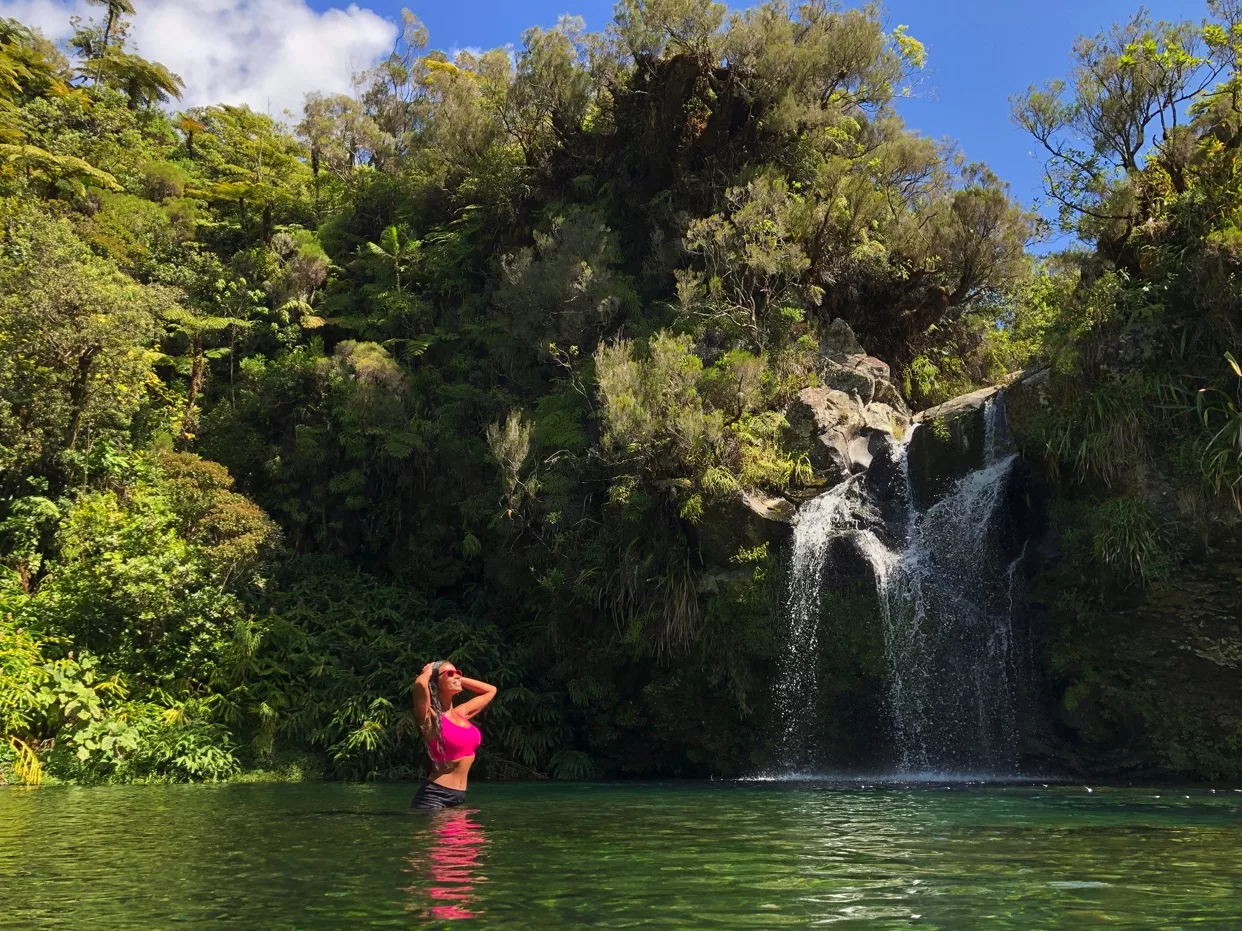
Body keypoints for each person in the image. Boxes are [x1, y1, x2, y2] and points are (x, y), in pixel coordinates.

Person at [411, 660, 496, 809]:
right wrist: (428, 672)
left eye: (458, 672)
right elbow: (420, 685)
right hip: (434, 797)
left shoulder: (461, 713)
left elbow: (491, 690)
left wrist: (456, 678)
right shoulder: (429, 718)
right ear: (436, 682)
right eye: (450, 674)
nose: (456, 676)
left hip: (458, 798)